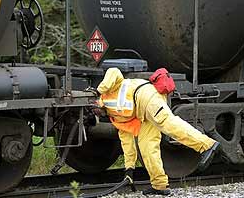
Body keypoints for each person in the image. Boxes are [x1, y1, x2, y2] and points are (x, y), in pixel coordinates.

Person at [94, 67, 220, 195]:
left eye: (95, 109)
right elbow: (127, 144)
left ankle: (207, 145)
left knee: (167, 123)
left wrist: (98, 91)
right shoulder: (116, 118)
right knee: (146, 148)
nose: (96, 112)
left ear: (97, 103)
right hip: (143, 115)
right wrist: (129, 169)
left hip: (147, 97)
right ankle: (159, 185)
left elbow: (113, 71)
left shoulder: (106, 92)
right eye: (95, 113)